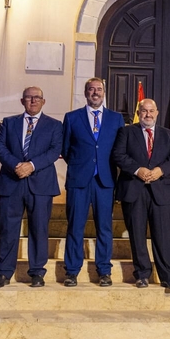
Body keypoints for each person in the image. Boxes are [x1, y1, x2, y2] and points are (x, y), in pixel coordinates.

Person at [0, 87, 62, 289]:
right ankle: (4, 273)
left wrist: (31, 165)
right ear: (22, 101)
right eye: (29, 97)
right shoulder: (9, 122)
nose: (33, 100)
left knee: (39, 229)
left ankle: (37, 272)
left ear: (43, 101)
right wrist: (16, 165)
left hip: (41, 184)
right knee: (8, 229)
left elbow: (55, 150)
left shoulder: (55, 125)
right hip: (12, 182)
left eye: (37, 97)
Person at [112, 98, 170, 294]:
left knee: (163, 236)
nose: (148, 114)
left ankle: (168, 277)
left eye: (151, 111)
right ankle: (142, 274)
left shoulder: (168, 135)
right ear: (138, 113)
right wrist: (137, 170)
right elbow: (118, 155)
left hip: (160, 190)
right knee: (137, 234)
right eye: (144, 111)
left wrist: (161, 170)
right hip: (134, 189)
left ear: (157, 112)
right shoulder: (126, 132)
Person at [61, 78, 123, 287]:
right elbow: (66, 149)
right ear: (86, 92)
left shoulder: (116, 119)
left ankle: (104, 271)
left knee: (104, 228)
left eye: (99, 89)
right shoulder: (72, 117)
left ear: (104, 93)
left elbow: (119, 149)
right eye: (91, 89)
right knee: (75, 226)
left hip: (104, 181)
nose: (95, 93)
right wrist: (82, 165)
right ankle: (71, 271)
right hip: (79, 180)